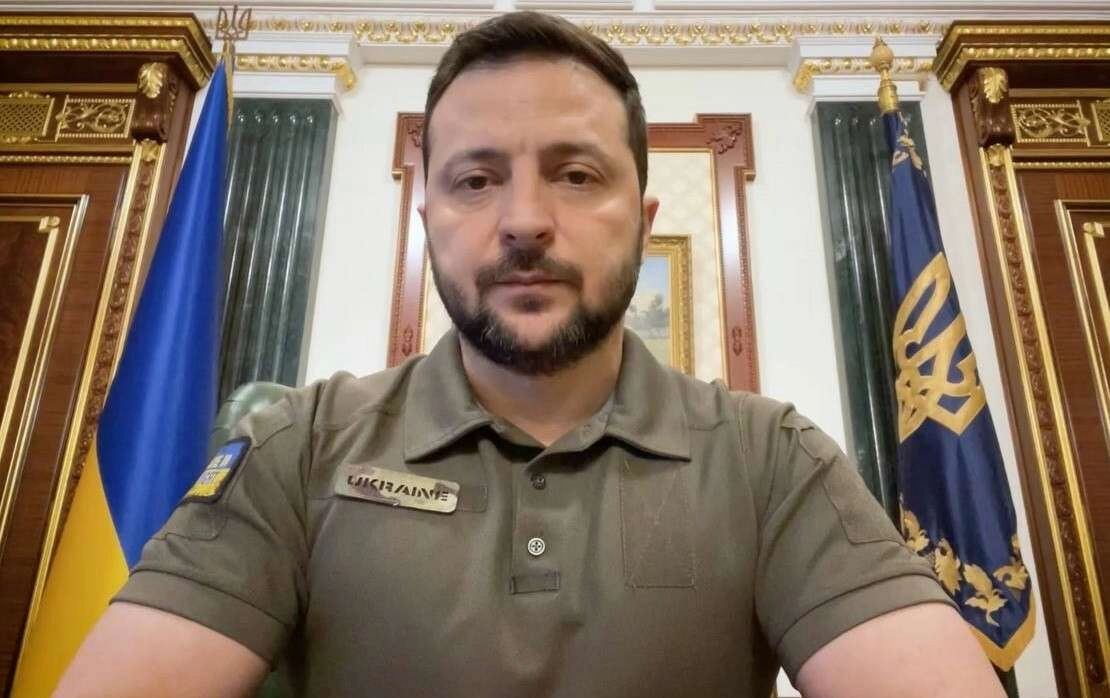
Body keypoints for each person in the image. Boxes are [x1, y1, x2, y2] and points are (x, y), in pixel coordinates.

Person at [58, 11, 1005, 698]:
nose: (523, 221)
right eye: (476, 180)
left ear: (642, 222)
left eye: (576, 174)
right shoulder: (294, 448)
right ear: (427, 220)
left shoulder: (773, 461)